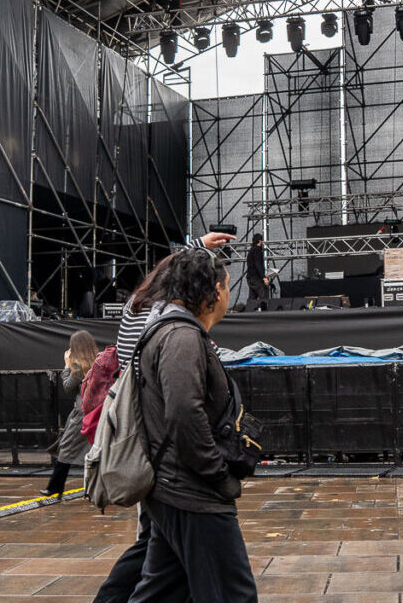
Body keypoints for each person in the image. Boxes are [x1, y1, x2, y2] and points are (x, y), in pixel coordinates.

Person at [93, 233, 233, 603]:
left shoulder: (136, 310)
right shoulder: (171, 326)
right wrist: (216, 471)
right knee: (154, 547)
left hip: (153, 446)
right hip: (165, 454)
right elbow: (183, 405)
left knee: (159, 553)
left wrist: (195, 247)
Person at [127, 248, 257, 603]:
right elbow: (185, 414)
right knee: (233, 595)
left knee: (162, 592)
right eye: (227, 285)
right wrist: (218, 475)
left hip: (175, 489)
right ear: (215, 291)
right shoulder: (181, 337)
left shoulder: (176, 331)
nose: (228, 293)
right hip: (193, 494)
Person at [43, 329, 97, 496]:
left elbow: (67, 386)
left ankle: (54, 487)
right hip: (97, 410)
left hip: (82, 413)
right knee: (95, 449)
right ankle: (95, 487)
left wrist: (67, 365)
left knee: (66, 448)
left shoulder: (80, 366)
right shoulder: (97, 361)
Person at [245, 233, 269, 302]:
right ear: (260, 241)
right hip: (256, 278)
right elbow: (258, 264)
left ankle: (249, 308)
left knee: (252, 298)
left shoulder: (251, 250)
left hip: (250, 278)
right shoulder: (257, 250)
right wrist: (264, 277)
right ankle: (265, 308)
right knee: (263, 296)